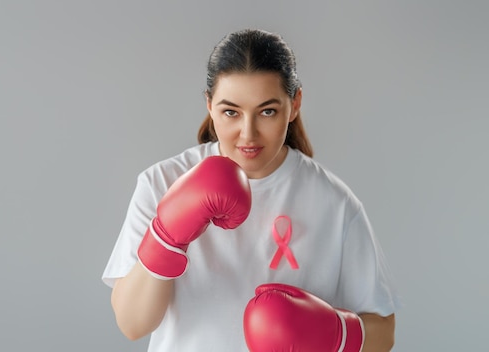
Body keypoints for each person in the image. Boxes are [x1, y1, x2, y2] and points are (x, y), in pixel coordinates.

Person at [102, 28, 399, 352]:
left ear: (295, 104)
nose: (248, 133)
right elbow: (131, 324)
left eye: (267, 111)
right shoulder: (161, 182)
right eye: (231, 112)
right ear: (210, 105)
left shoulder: (335, 203)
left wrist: (333, 333)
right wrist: (166, 236)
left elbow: (383, 333)